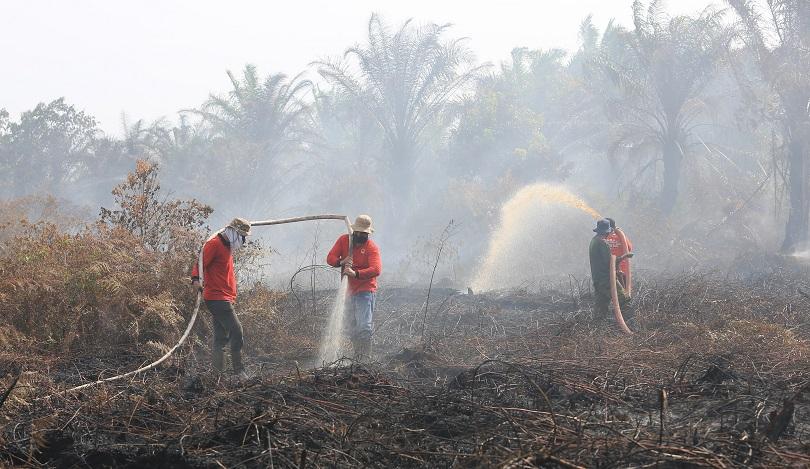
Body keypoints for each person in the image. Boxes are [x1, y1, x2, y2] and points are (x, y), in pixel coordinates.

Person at [191, 217, 251, 378]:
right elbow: (200, 263)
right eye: (242, 237)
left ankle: (218, 376)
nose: (243, 241)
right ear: (233, 233)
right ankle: (239, 372)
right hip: (217, 298)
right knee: (236, 331)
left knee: (220, 338)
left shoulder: (227, 246)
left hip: (224, 297)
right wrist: (196, 279)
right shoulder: (214, 244)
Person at [326, 215, 382, 360]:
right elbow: (330, 258)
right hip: (348, 291)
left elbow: (376, 269)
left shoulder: (372, 247)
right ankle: (358, 357)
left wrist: (355, 273)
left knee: (364, 327)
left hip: (366, 291)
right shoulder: (344, 241)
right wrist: (341, 261)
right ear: (354, 232)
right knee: (352, 327)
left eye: (366, 234)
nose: (363, 236)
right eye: (361, 233)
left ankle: (363, 360)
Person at [589, 218, 632, 321]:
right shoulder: (603, 243)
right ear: (607, 232)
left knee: (601, 307)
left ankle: (596, 329)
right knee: (624, 300)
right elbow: (610, 262)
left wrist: (617, 270)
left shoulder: (593, 241)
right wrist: (623, 257)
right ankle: (630, 324)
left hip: (598, 279)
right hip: (607, 280)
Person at [604, 218, 633, 292]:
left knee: (611, 295)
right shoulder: (621, 236)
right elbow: (629, 248)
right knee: (624, 294)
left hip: (608, 272)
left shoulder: (603, 237)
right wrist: (621, 233)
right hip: (622, 270)